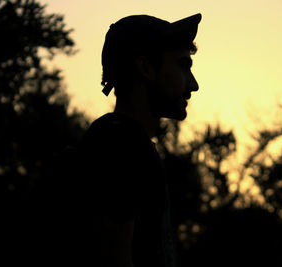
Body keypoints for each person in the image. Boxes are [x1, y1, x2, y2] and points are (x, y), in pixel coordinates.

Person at [77, 13, 202, 267]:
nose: (193, 84)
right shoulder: (118, 145)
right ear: (145, 68)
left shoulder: (128, 142)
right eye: (183, 66)